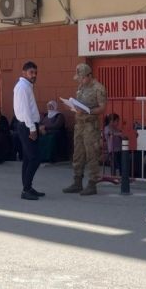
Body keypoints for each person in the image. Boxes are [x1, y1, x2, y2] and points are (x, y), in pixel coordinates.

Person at [62, 63, 107, 196]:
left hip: (90, 126)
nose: (80, 80)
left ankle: (92, 184)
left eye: (82, 78)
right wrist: (72, 107)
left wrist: (89, 111)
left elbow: (102, 108)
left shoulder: (98, 88)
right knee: (78, 153)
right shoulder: (81, 87)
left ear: (89, 75)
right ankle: (77, 182)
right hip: (79, 125)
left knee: (92, 154)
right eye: (79, 78)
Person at [13, 61, 44, 200]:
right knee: (35, 158)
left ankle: (28, 187)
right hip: (27, 126)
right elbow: (25, 110)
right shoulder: (22, 87)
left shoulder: (26, 86)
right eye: (31, 72)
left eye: (35, 73)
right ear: (24, 73)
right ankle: (26, 189)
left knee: (27, 158)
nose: (34, 75)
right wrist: (32, 128)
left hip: (28, 125)